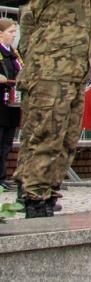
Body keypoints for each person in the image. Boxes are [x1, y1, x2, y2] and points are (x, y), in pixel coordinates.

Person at [13, 0, 91, 218]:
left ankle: (46, 190)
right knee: (46, 134)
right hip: (51, 72)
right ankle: (34, 194)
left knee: (65, 137)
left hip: (71, 72)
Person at [0, 17, 21, 191]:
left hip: (11, 105)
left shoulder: (13, 53)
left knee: (6, 143)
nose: (13, 35)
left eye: (15, 32)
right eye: (10, 32)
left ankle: (2, 176)